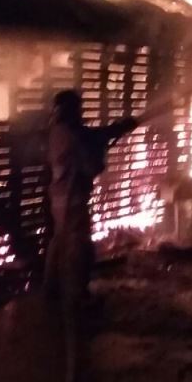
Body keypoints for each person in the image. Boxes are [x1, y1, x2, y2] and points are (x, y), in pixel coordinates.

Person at [43, 89, 140, 306]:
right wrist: (101, 154)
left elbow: (93, 135)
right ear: (72, 110)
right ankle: (77, 296)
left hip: (59, 201)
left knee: (59, 243)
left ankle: (51, 291)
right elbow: (91, 166)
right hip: (73, 201)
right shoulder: (73, 136)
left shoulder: (57, 132)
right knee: (79, 248)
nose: (81, 112)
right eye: (78, 108)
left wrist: (111, 132)